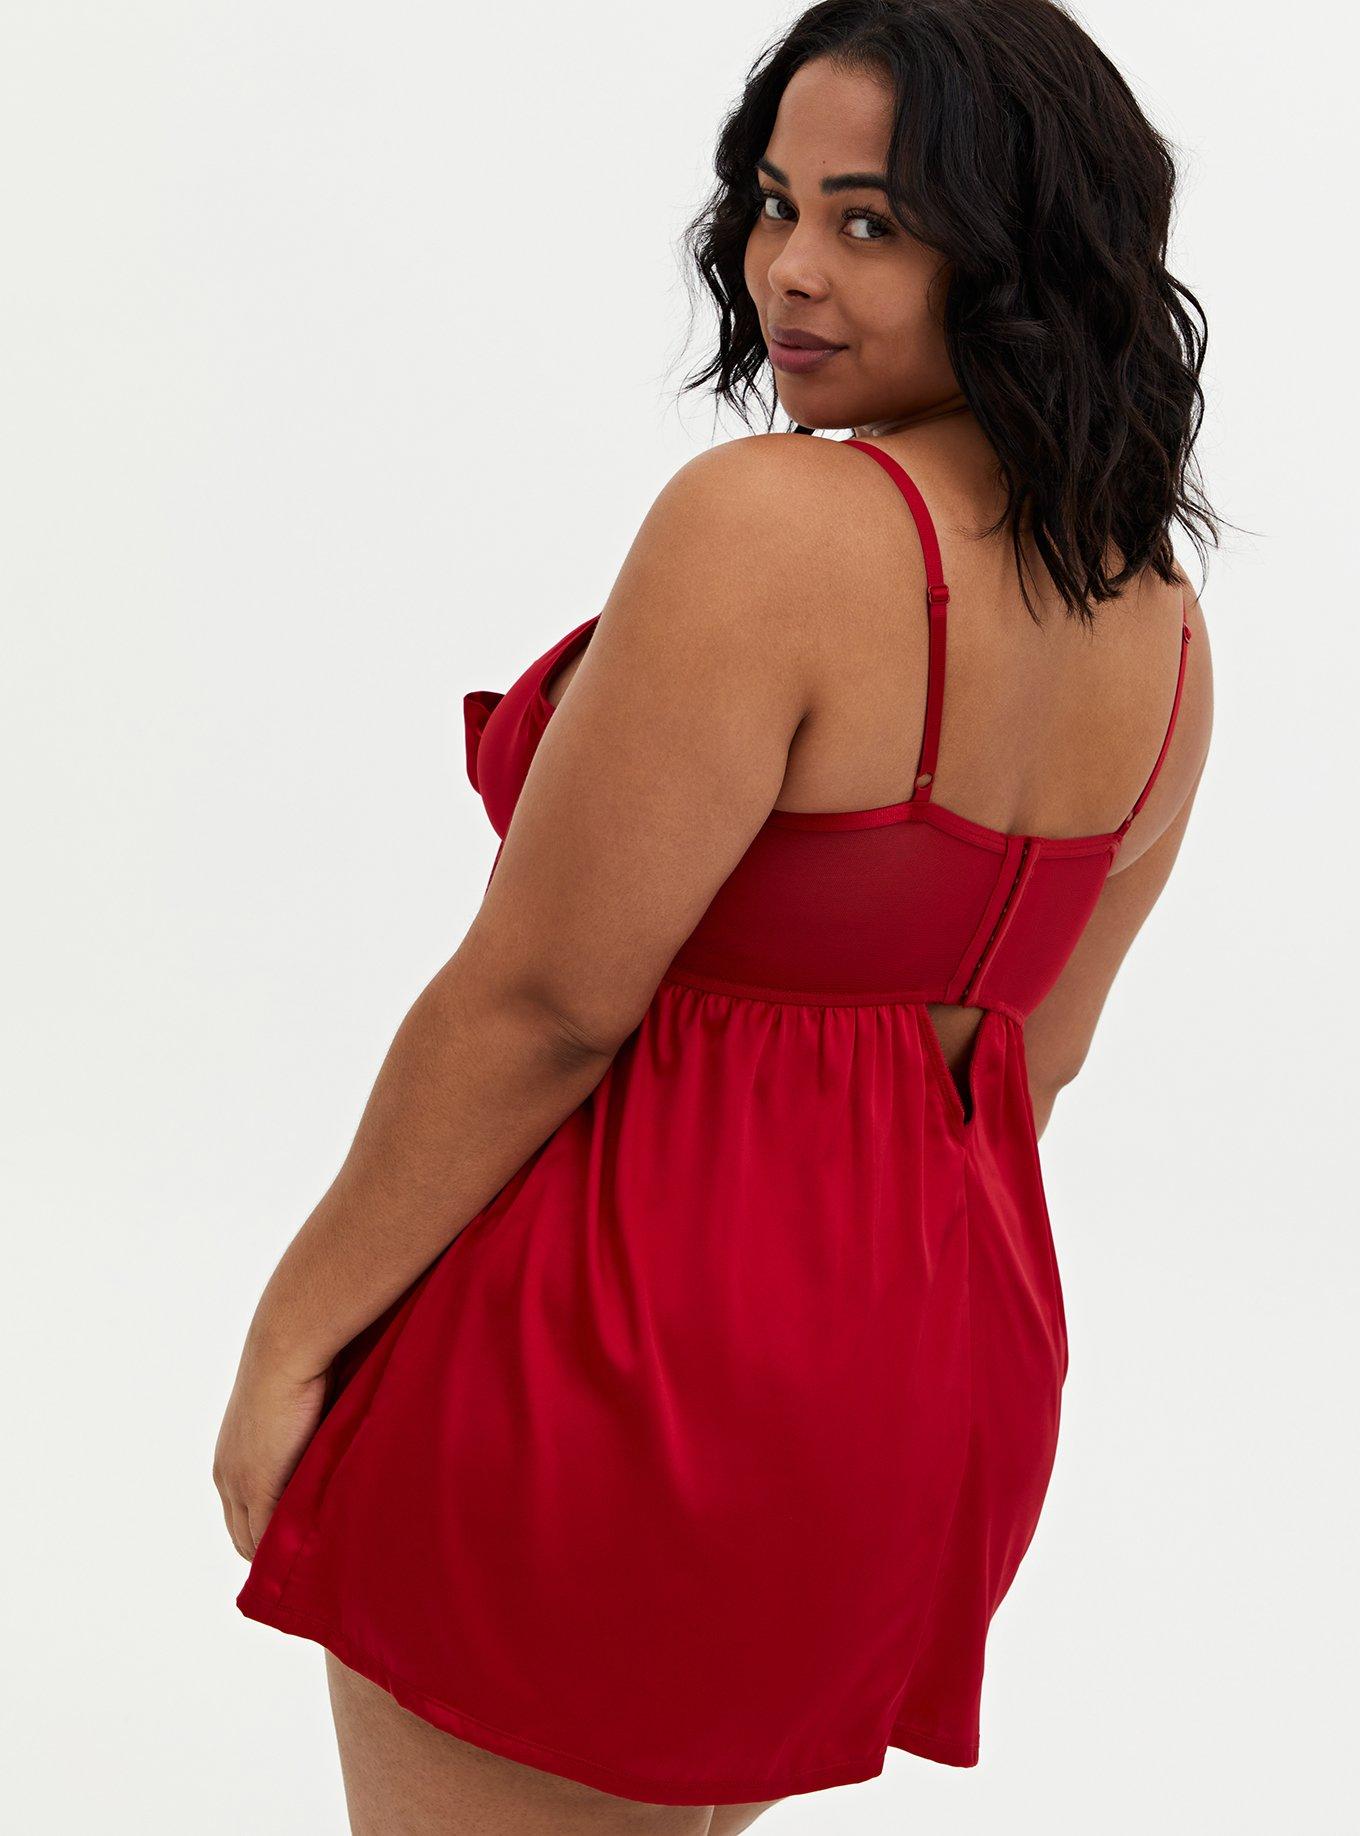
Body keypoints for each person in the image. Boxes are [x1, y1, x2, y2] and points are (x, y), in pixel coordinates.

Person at [215, 2, 1216, 1830]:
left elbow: (542, 1004)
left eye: (869, 221)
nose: (788, 272)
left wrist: (292, 1338)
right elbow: (1027, 1069)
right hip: (911, 1402)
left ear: (1020, 251)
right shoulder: (1159, 625)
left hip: (612, 1365)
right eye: (774, 204)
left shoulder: (770, 523)